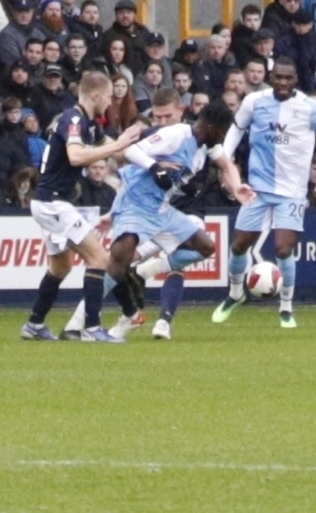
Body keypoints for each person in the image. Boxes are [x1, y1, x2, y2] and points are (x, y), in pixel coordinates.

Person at [211, 51, 316, 329]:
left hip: (292, 190)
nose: (283, 82)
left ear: (295, 79)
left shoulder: (309, 107)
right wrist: (226, 162)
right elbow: (236, 129)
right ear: (271, 78)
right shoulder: (254, 101)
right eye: (278, 78)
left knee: (283, 249)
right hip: (257, 188)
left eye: (288, 78)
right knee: (239, 246)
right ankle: (235, 294)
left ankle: (285, 307)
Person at [95, 83, 212, 345]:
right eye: (157, 117)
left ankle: (163, 320)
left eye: (167, 117)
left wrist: (235, 182)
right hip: (149, 211)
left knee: (179, 252)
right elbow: (132, 179)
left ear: (181, 111)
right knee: (120, 260)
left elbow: (225, 161)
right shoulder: (153, 136)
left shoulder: (200, 135)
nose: (161, 122)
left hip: (185, 209)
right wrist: (114, 212)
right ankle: (115, 317)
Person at [16, 69, 123, 343]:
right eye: (109, 97)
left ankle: (34, 324)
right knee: (99, 258)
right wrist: (116, 147)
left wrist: (145, 151)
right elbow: (76, 157)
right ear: (96, 95)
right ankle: (92, 327)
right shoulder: (73, 119)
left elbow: (117, 148)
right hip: (54, 202)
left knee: (60, 268)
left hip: (50, 201)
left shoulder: (88, 123)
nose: (111, 103)